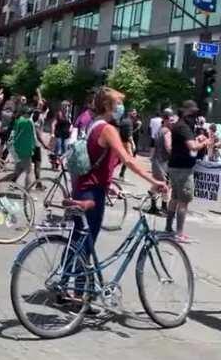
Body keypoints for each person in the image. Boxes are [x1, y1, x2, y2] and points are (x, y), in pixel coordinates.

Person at [64, 87, 167, 254]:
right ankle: (78, 278)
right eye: (118, 103)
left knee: (78, 245)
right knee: (85, 249)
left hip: (84, 188)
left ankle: (66, 278)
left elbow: (94, 158)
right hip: (92, 193)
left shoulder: (94, 123)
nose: (122, 107)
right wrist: (154, 181)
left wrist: (108, 184)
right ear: (107, 105)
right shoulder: (107, 129)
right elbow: (128, 159)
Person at [166, 100, 210, 242]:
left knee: (175, 198)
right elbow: (192, 147)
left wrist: (197, 139)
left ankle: (168, 228)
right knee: (184, 201)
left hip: (175, 165)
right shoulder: (183, 127)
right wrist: (204, 142)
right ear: (186, 111)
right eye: (192, 112)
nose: (194, 115)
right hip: (183, 168)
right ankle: (179, 233)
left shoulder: (180, 126)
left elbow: (186, 143)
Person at [148, 108, 174, 215]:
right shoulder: (167, 131)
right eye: (171, 121)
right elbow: (168, 147)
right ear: (166, 120)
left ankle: (153, 206)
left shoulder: (160, 129)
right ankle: (163, 208)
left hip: (157, 161)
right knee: (165, 185)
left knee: (157, 184)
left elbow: (154, 145)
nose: (173, 123)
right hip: (163, 162)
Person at [3, 106, 36, 189]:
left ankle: (10, 183)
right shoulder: (28, 122)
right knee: (29, 171)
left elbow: (14, 133)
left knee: (18, 169)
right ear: (25, 113)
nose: (30, 115)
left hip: (16, 148)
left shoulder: (17, 120)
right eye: (29, 113)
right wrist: (33, 147)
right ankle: (27, 190)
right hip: (25, 149)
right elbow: (32, 136)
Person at [51, 101, 72, 166]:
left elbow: (71, 124)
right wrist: (52, 133)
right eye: (65, 106)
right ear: (62, 106)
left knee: (65, 150)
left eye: (68, 106)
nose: (67, 107)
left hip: (66, 135)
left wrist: (71, 129)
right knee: (58, 148)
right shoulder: (59, 114)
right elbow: (53, 123)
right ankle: (55, 162)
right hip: (59, 134)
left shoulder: (69, 115)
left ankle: (60, 162)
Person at [118, 110, 135, 181]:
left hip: (120, 141)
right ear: (129, 113)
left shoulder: (123, 121)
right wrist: (133, 144)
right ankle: (121, 174)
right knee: (128, 159)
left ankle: (121, 174)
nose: (135, 114)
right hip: (126, 143)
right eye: (133, 113)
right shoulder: (129, 122)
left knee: (120, 158)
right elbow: (129, 135)